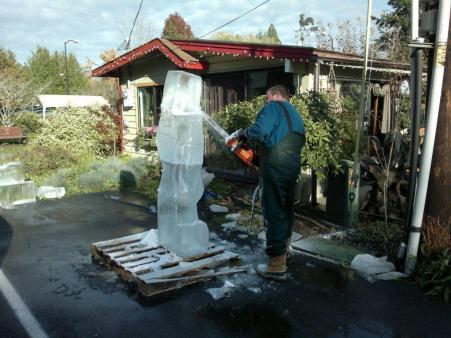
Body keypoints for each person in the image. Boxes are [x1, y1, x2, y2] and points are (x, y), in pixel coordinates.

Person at [227, 85, 305, 281]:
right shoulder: (295, 114)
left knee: (274, 210)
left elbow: (260, 130)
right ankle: (285, 250)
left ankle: (276, 265)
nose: (265, 102)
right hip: (290, 167)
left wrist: (244, 134)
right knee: (286, 208)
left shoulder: (274, 107)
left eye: (267, 98)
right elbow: (277, 138)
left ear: (277, 95)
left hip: (276, 166)